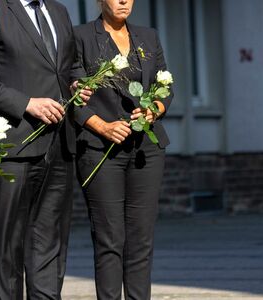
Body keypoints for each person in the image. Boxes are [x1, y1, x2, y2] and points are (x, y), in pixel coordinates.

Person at [0, 0, 91, 298]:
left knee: (50, 244)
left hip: (59, 145)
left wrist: (78, 84)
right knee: (8, 246)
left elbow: (72, 65)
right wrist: (26, 104)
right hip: (13, 145)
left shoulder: (58, 11)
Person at [72, 0, 172, 299]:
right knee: (109, 239)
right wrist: (102, 126)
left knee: (141, 239)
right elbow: (72, 93)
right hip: (100, 150)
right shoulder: (81, 37)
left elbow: (165, 82)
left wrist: (155, 107)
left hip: (146, 150)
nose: (124, 0)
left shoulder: (148, 36)